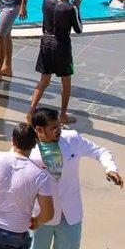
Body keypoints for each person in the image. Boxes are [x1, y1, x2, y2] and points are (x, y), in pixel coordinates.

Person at [29, 106, 122, 248]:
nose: (59, 130)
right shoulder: (27, 148)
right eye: (54, 127)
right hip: (39, 217)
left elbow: (100, 151)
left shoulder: (72, 138)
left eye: (59, 125)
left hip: (70, 215)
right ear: (39, 130)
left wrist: (110, 168)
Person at [0, 123, 54, 249]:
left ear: (12, 140)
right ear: (34, 145)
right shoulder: (40, 175)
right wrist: (35, 221)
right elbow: (48, 214)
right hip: (15, 232)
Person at [28, 0, 84, 125]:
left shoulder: (47, 0)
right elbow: (79, 29)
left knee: (44, 80)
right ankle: (63, 115)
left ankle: (31, 111)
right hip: (61, 46)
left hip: (46, 42)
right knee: (66, 81)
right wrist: (77, 7)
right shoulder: (70, 8)